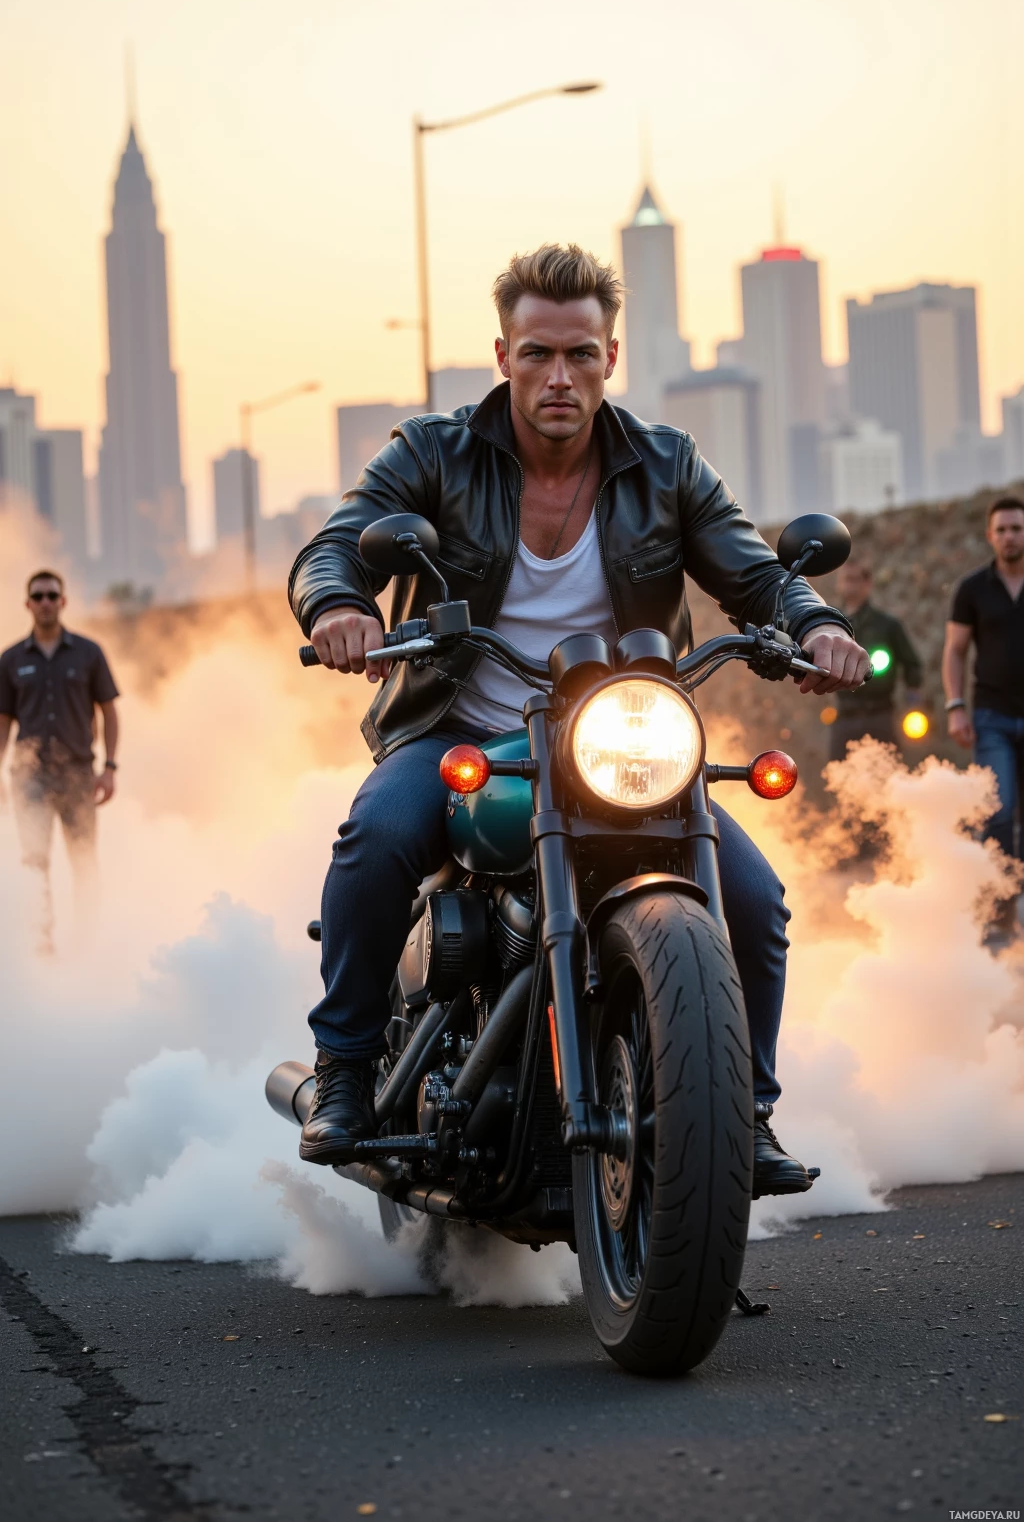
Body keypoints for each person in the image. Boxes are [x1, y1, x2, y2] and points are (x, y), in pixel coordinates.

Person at [288, 244, 869, 1194]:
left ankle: (741, 1111)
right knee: (378, 834)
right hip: (459, 730)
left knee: (756, 903)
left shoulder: (667, 466)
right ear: (504, 355)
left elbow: (754, 572)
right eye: (538, 354)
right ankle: (345, 1069)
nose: (560, 376)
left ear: (611, 359)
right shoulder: (433, 451)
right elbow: (336, 545)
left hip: (621, 741)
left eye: (582, 355)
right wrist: (338, 605)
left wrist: (815, 624)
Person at [0, 570, 119, 950]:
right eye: (39, 596)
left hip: (79, 774)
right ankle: (42, 946)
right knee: (35, 863)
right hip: (29, 777)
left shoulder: (88, 652)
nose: (46, 602)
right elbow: (3, 720)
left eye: (53, 595)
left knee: (83, 860)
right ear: (28, 604)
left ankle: (88, 940)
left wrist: (110, 768)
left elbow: (109, 711)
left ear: (63, 601)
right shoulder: (11, 659)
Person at [944, 495, 1024, 928]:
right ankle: (1000, 909)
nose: (1010, 536)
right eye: (1003, 529)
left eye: (1017, 528)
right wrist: (956, 706)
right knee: (999, 810)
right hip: (991, 716)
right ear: (991, 536)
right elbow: (955, 651)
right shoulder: (972, 589)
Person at [828, 558, 923, 760]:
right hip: (845, 716)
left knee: (887, 778)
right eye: (846, 579)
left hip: (880, 715)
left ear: (867, 584)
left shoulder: (888, 625)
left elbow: (912, 665)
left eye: (855, 579)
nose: (850, 585)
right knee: (840, 781)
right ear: (838, 584)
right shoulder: (830, 625)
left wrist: (913, 701)